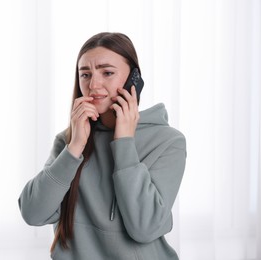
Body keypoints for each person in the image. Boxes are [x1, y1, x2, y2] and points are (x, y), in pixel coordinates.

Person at [18, 32, 186, 260]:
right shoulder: (68, 142)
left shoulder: (168, 142)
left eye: (107, 72)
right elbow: (33, 213)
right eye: (85, 74)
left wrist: (124, 143)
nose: (93, 84)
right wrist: (74, 147)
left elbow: (145, 228)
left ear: (134, 79)